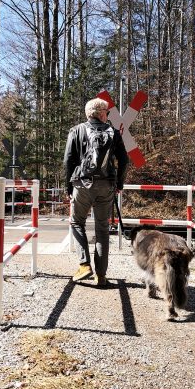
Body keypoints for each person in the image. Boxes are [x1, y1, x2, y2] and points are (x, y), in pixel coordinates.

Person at [63, 97, 129, 287]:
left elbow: (68, 160)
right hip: (106, 186)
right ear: (101, 114)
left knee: (77, 222)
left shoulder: (76, 130)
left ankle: (84, 265)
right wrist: (119, 183)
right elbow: (124, 160)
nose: (107, 115)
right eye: (107, 112)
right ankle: (101, 275)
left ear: (89, 114)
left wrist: (69, 186)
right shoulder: (114, 133)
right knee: (102, 229)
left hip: (82, 185)